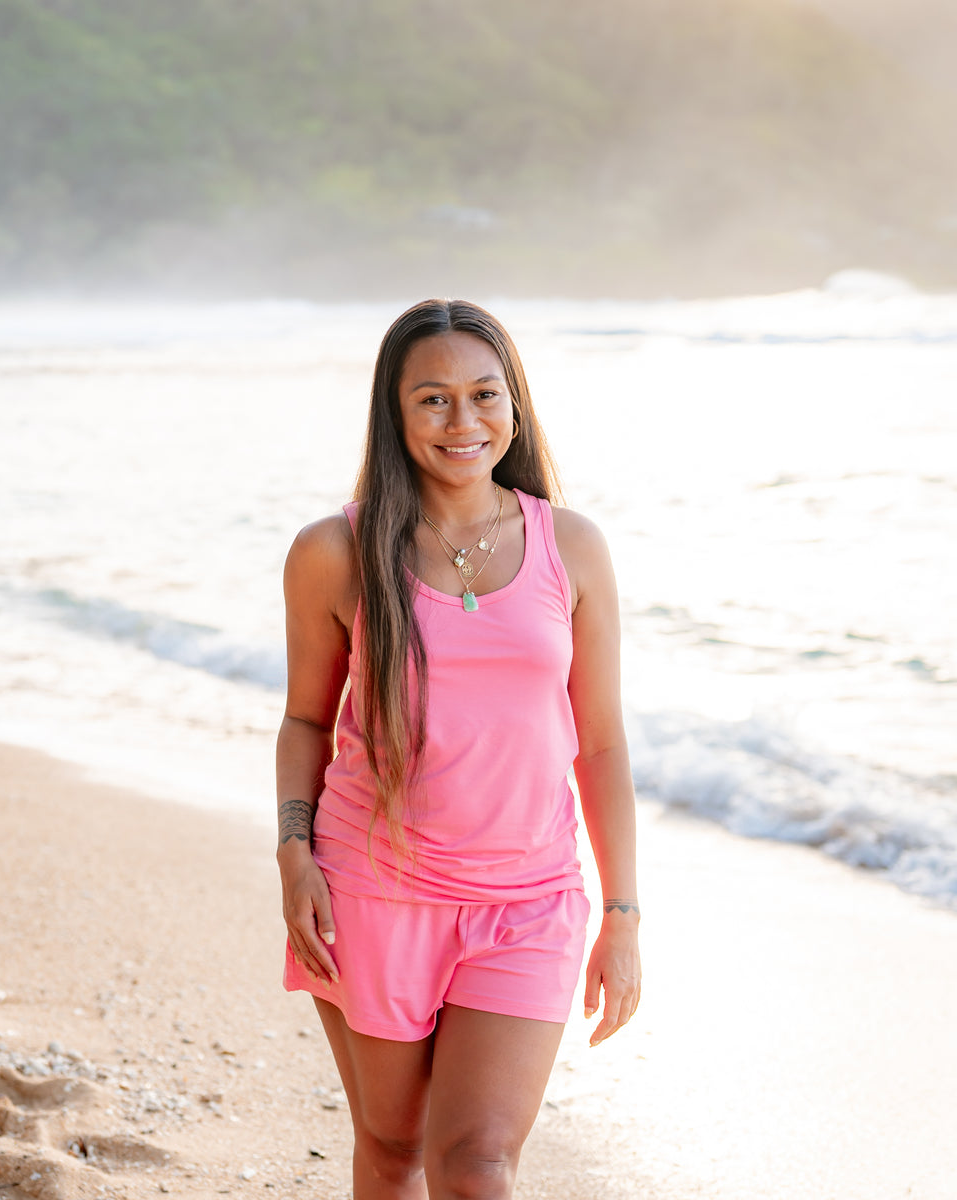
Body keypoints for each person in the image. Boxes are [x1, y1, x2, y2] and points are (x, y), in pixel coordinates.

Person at [276, 299, 641, 1200]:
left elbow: (600, 743)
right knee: (393, 1152)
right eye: (432, 399)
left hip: (528, 900)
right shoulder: (335, 552)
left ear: (514, 405)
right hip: (372, 889)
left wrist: (623, 915)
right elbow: (307, 723)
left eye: (484, 394)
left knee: (477, 1166)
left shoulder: (574, 548)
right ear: (394, 414)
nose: (463, 421)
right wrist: (292, 853)